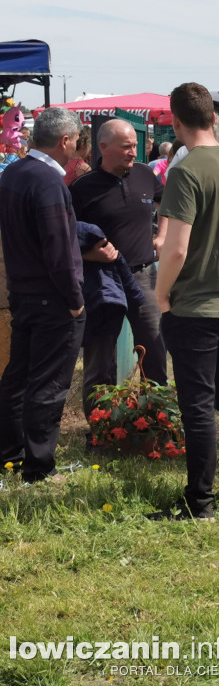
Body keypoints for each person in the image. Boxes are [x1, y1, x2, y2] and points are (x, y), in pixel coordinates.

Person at [151, 82, 219, 520]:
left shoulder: (186, 170)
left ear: (175, 122)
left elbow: (175, 248)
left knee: (197, 404)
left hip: (194, 303)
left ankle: (200, 502)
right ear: (214, 118)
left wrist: (160, 294)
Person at [0, 107, 86, 483]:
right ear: (65, 141)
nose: (77, 150)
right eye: (77, 142)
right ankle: (38, 466)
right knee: (47, 384)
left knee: (19, 377)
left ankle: (12, 456)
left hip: (22, 290)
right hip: (52, 297)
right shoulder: (48, 182)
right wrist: (74, 299)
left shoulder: (14, 173)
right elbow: (59, 250)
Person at [69, 118, 168, 415]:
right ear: (103, 148)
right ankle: (100, 426)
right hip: (101, 279)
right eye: (126, 147)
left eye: (135, 146)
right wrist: (88, 256)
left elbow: (167, 203)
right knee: (100, 356)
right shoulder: (82, 188)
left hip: (142, 277)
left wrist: (162, 235)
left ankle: (159, 421)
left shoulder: (145, 174)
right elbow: (65, 234)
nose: (133, 152)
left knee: (154, 350)